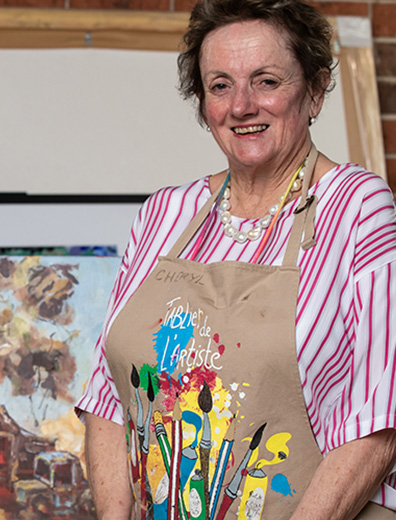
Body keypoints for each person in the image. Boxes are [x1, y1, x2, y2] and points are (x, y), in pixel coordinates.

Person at [75, 0, 396, 518]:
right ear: (203, 105)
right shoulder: (165, 213)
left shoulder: (357, 207)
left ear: (314, 91)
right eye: (220, 86)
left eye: (266, 81)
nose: (242, 105)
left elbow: (380, 418)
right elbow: (108, 399)